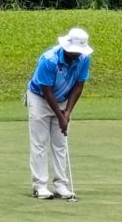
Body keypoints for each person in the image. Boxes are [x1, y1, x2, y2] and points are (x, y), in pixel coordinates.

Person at [26, 27, 92, 199]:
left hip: (62, 98)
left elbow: (79, 86)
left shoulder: (84, 59)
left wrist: (68, 112)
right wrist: (60, 115)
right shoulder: (49, 60)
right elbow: (46, 91)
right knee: (40, 142)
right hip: (39, 98)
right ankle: (39, 186)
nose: (77, 54)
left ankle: (61, 184)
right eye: (74, 51)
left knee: (60, 143)